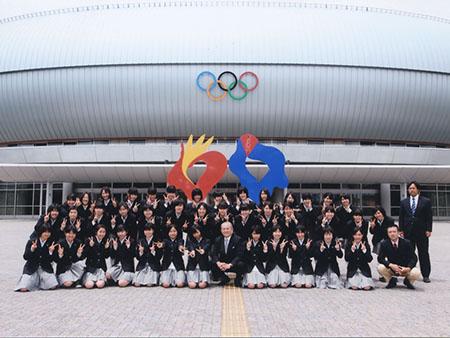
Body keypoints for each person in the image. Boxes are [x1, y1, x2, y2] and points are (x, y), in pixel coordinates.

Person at [399, 181, 432, 283]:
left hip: (421, 232)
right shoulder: (404, 202)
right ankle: (408, 273)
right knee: (408, 253)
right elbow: (402, 217)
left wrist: (429, 229)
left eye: (413, 188)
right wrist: (401, 229)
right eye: (410, 188)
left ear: (418, 190)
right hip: (408, 232)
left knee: (423, 253)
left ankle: (425, 275)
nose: (411, 190)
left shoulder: (425, 201)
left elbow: (429, 216)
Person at [15, 224, 59, 292]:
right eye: (45, 232)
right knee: (23, 288)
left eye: (49, 232)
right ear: (40, 232)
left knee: (52, 286)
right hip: (32, 267)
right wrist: (32, 249)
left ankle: (41, 283)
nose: (47, 234)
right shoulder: (32, 241)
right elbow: (25, 257)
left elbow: (52, 260)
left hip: (45, 268)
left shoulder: (51, 243)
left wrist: (50, 252)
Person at [377, 224, 421, 290]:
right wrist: (390, 265)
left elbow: (414, 258)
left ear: (398, 232)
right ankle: (391, 281)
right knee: (380, 267)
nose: (392, 234)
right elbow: (380, 258)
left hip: (405, 268)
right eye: (390, 232)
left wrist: (408, 268)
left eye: (394, 232)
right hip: (392, 268)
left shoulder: (407, 243)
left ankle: (408, 281)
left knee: (416, 272)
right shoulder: (384, 244)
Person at [210, 221, 245, 286]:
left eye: (227, 229)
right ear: (221, 230)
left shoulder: (238, 239)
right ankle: (224, 278)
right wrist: (218, 263)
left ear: (232, 230)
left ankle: (238, 279)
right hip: (223, 263)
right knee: (212, 262)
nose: (225, 231)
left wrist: (230, 265)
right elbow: (214, 254)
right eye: (224, 229)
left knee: (241, 264)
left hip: (233, 263)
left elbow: (240, 255)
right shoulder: (218, 240)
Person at [369, 206, 395, 282]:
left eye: (379, 213)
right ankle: (381, 275)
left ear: (382, 212)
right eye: (375, 214)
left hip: (387, 240)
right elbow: (372, 232)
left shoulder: (389, 220)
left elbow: (391, 231)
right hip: (378, 241)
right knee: (380, 258)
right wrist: (372, 227)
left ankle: (392, 274)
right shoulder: (374, 220)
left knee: (390, 257)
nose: (377, 215)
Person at [82, 224, 110, 289]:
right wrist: (90, 246)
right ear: (96, 232)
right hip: (91, 267)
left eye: (103, 232)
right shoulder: (90, 240)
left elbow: (106, 256)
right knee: (89, 285)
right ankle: (88, 280)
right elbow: (85, 255)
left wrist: (106, 248)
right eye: (100, 232)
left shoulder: (105, 241)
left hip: (100, 268)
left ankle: (97, 280)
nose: (102, 234)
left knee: (100, 285)